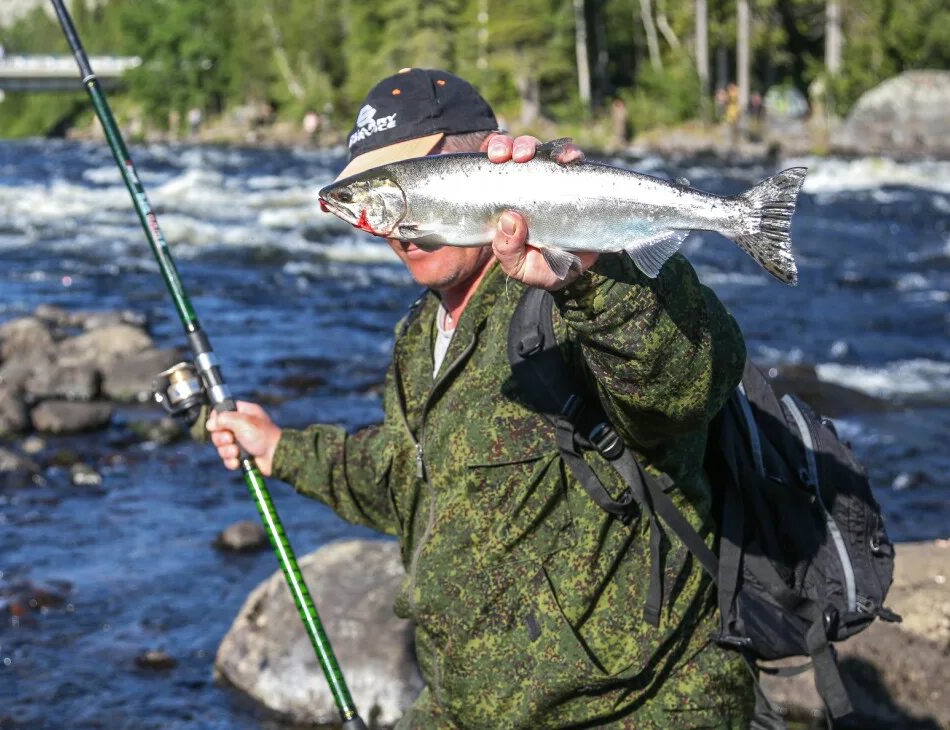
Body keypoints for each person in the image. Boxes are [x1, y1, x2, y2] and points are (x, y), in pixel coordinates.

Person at [208, 68, 752, 727]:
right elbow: (410, 477)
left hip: (633, 708)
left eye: (408, 181)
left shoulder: (581, 289)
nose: (396, 229)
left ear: (481, 163)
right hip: (465, 705)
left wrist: (589, 267)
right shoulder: (420, 334)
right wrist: (280, 450)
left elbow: (682, 389)